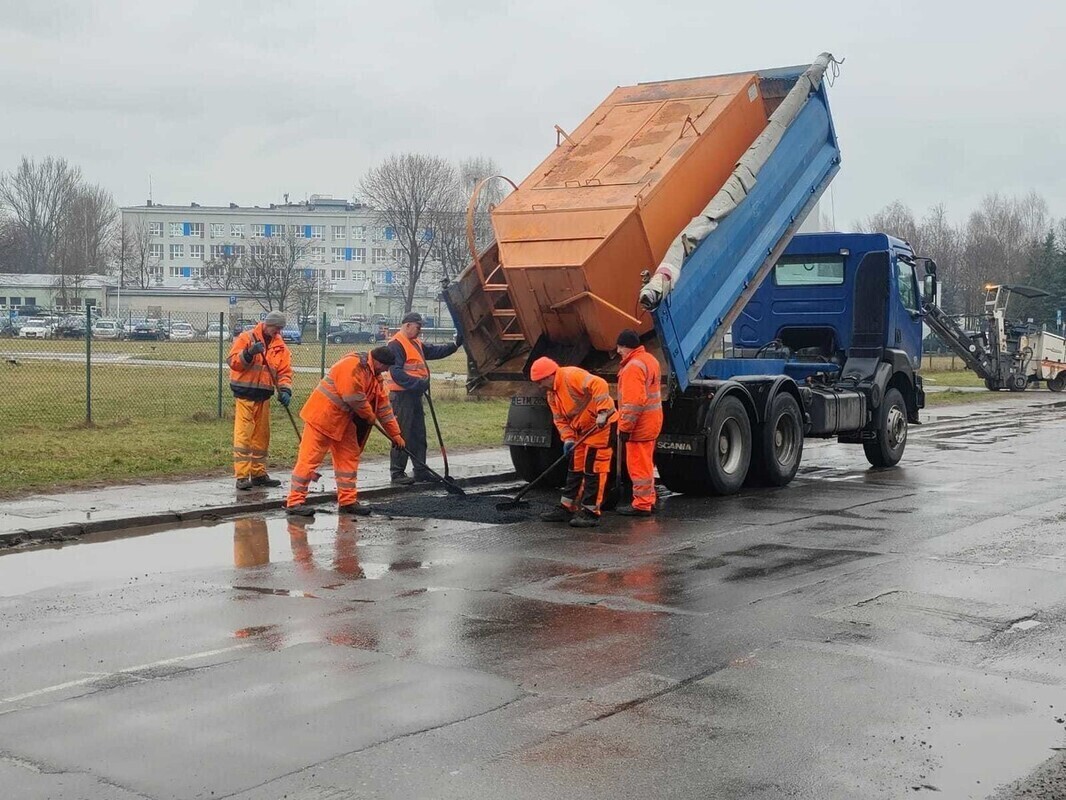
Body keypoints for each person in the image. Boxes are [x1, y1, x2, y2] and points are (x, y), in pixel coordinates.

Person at [285, 347, 405, 517]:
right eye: (386, 367)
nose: (387, 371)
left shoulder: (374, 376)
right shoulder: (353, 365)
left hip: (343, 423)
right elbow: (352, 396)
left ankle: (348, 501)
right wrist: (369, 415)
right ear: (379, 362)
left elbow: (383, 408)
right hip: (322, 418)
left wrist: (396, 434)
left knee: (348, 459)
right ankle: (294, 502)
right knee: (309, 460)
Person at [530, 357, 618, 528]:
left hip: (601, 427)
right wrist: (568, 439)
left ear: (549, 375)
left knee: (594, 469)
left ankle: (591, 512)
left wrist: (602, 412)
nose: (540, 386)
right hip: (581, 431)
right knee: (575, 467)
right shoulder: (552, 394)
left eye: (540, 381)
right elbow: (560, 420)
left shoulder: (571, 376)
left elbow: (599, 384)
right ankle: (567, 507)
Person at [385, 311, 461, 485]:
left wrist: (454, 346)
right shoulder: (396, 344)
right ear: (408, 325)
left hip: (414, 395)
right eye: (418, 327)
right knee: (401, 434)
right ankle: (397, 473)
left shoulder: (415, 342)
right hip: (402, 397)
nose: (420, 330)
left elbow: (433, 351)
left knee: (418, 434)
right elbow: (396, 373)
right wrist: (418, 383)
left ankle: (420, 470)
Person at [228, 311, 293, 490]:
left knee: (261, 437)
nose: (278, 332)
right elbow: (233, 362)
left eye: (280, 329)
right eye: (276, 328)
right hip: (245, 395)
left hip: (263, 396)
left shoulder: (280, 347)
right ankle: (242, 477)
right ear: (267, 324)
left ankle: (258, 474)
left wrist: (285, 389)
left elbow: (284, 372)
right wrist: (249, 353)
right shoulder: (247, 338)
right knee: (244, 436)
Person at [614, 329, 663, 516]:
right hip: (651, 422)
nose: (618, 351)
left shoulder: (633, 367)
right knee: (646, 464)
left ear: (628, 347)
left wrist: (625, 427)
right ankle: (649, 499)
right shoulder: (650, 360)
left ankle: (642, 504)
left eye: (620, 347)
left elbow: (633, 402)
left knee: (638, 466)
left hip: (639, 427)